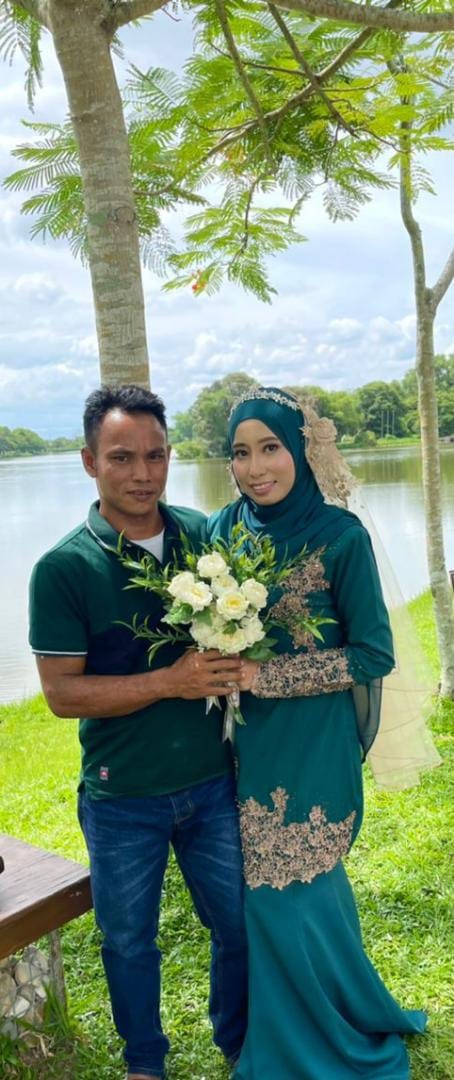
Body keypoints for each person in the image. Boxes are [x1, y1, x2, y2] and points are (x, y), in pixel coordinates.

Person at [29, 384, 248, 1080]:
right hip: (122, 795)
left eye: (155, 455)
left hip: (213, 784)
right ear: (89, 461)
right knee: (128, 940)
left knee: (239, 924)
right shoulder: (63, 568)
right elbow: (62, 695)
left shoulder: (203, 538)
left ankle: (241, 1044)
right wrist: (167, 682)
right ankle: (145, 1065)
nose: (142, 473)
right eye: (122, 457)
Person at [208, 386, 427, 1080]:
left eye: (270, 447)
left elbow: (373, 655)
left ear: (303, 450)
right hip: (241, 744)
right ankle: (317, 1012)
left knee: (294, 887)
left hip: (313, 744)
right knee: (264, 895)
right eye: (241, 452)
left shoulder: (341, 536)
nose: (255, 468)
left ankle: (315, 1041)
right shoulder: (222, 531)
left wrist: (264, 677)